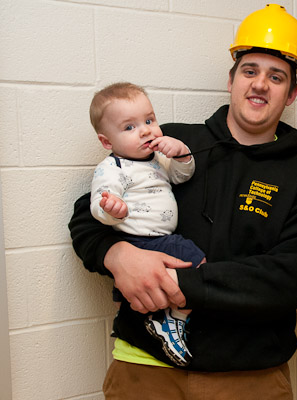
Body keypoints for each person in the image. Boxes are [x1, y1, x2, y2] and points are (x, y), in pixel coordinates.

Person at [69, 4, 297, 399]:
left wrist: (179, 283)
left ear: (291, 93)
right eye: (250, 71)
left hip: (249, 376)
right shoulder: (165, 144)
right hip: (144, 368)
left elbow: (285, 281)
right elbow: (88, 216)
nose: (260, 84)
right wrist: (116, 255)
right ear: (231, 81)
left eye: (276, 76)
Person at [88, 82, 206, 367]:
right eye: (129, 127)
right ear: (107, 142)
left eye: (149, 120)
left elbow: (182, 176)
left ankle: (162, 324)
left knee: (136, 298)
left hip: (158, 238)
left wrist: (180, 153)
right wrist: (112, 209)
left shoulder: (158, 160)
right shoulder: (112, 168)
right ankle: (175, 321)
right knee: (198, 264)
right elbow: (98, 202)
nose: (145, 130)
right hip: (141, 240)